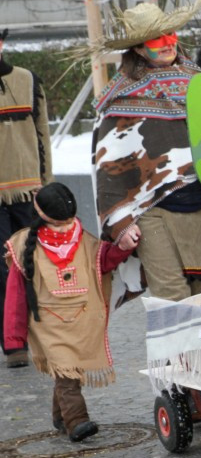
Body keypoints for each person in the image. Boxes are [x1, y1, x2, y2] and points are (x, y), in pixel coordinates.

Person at [91, 0, 201, 302]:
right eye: (157, 38)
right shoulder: (121, 97)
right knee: (169, 298)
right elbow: (108, 164)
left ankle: (197, 353)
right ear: (137, 47)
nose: (167, 43)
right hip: (152, 210)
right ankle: (172, 352)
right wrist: (120, 222)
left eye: (171, 35)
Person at [3, 183, 135, 442]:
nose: (65, 230)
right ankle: (77, 421)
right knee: (67, 376)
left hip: (81, 320)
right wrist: (13, 338)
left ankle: (59, 416)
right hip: (48, 324)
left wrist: (122, 248)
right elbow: (15, 297)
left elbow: (104, 261)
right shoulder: (23, 246)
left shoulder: (84, 240)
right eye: (58, 225)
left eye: (68, 223)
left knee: (68, 371)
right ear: (41, 217)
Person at [0, 27, 51, 369]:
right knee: (1, 269)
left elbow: (42, 133)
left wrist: (47, 185)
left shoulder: (28, 80)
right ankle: (12, 341)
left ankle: (39, 333)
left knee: (32, 264)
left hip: (27, 190)